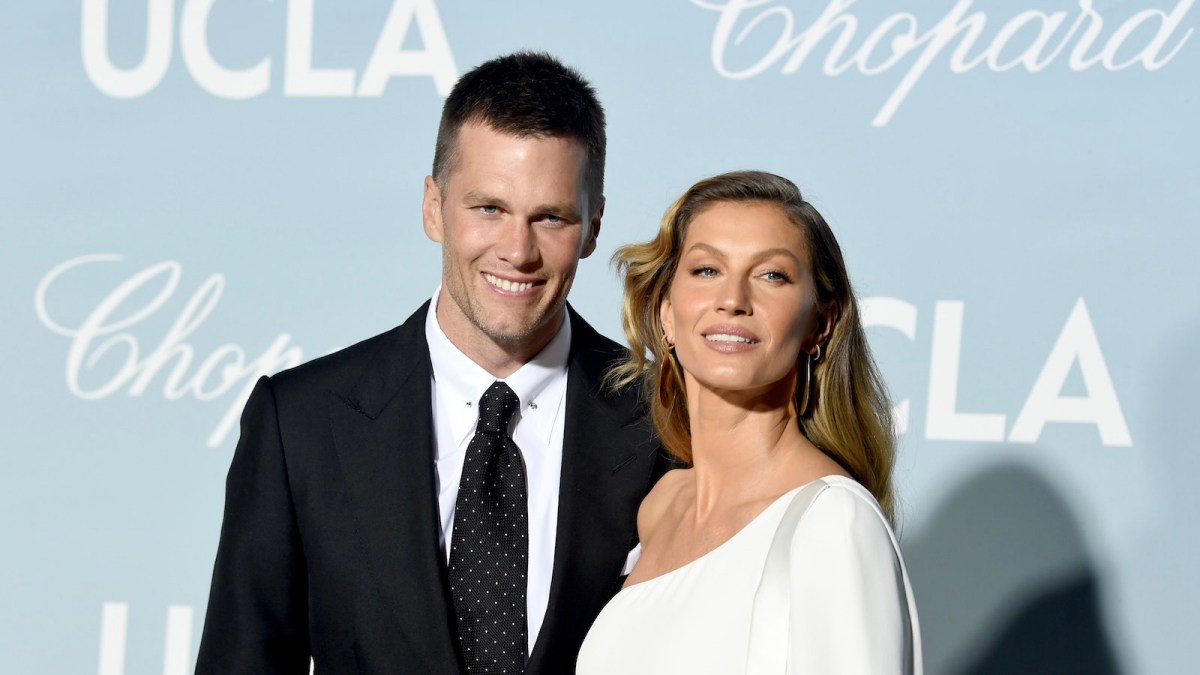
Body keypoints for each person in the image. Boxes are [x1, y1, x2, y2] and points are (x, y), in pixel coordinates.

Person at [196, 52, 664, 675]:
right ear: (433, 207)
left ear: (593, 226)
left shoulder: (666, 418)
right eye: (489, 209)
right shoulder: (301, 422)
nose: (517, 251)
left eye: (550, 217)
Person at [576, 171, 922, 674]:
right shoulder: (661, 505)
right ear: (666, 312)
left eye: (772, 275)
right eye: (707, 270)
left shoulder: (833, 523)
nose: (733, 299)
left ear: (818, 325)